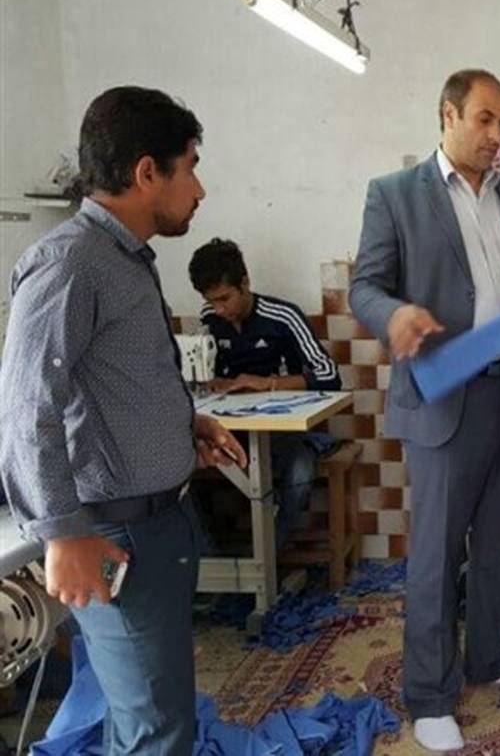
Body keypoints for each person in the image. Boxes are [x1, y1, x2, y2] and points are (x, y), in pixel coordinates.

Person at [0, 86, 246, 755]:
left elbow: (110, 385)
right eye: (189, 167)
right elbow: (25, 407)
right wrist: (61, 534)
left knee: (149, 713)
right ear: (146, 173)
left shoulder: (124, 258)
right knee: (154, 732)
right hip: (116, 537)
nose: (199, 189)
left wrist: (184, 425)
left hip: (157, 526)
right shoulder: (71, 263)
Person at [349, 69, 500, 751]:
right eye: (484, 119)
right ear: (447, 114)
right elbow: (365, 286)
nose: (496, 134)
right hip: (443, 395)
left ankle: (488, 658)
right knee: (437, 554)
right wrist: (393, 314)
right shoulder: (395, 195)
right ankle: (429, 693)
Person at [188, 237, 342, 543]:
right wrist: (212, 381)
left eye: (225, 298)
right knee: (177, 468)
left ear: (245, 283)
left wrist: (268, 383)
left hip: (283, 432)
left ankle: (271, 552)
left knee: (299, 470)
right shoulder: (210, 319)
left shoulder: (283, 317)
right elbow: (206, 370)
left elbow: (329, 375)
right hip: (230, 432)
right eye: (211, 301)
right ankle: (213, 556)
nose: (219, 309)